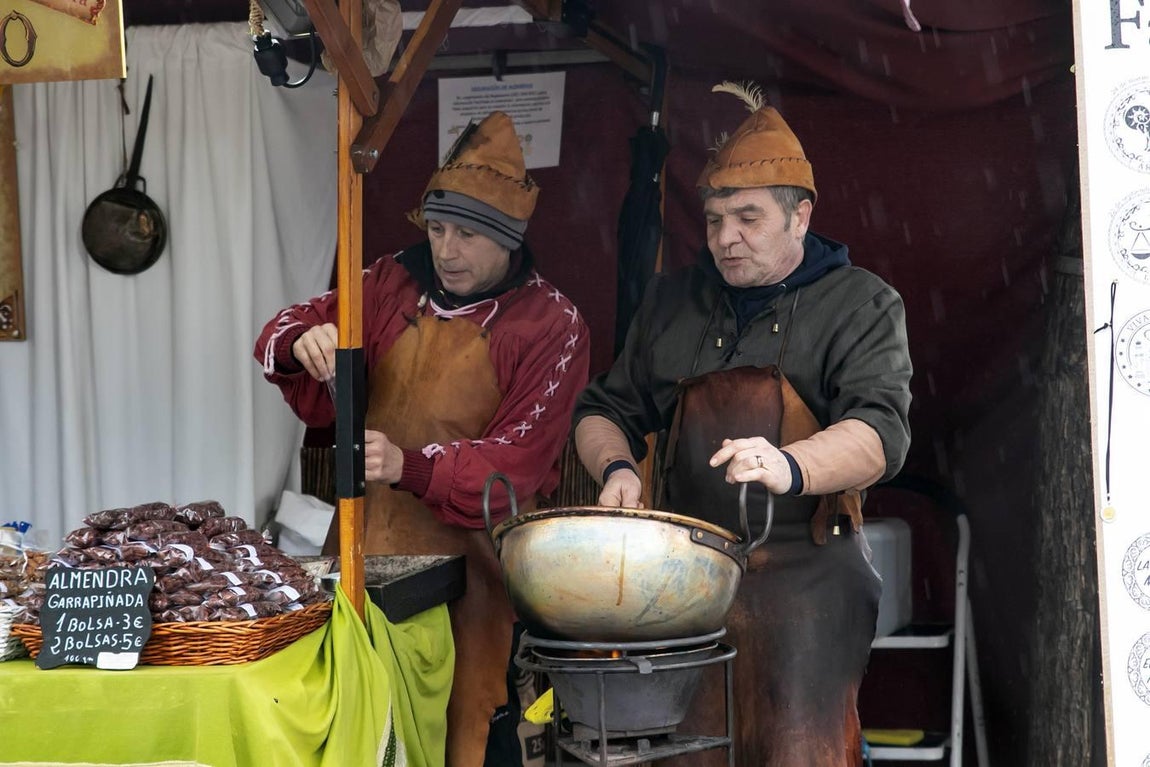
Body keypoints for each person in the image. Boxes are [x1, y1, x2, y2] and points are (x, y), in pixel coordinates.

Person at [573, 82, 912, 766]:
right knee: (682, 751)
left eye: (748, 218)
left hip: (811, 573)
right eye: (715, 219)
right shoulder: (674, 304)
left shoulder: (861, 304)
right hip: (684, 574)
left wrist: (791, 464)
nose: (726, 238)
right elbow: (600, 409)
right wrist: (614, 468)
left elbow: (879, 435)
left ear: (801, 217)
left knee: (801, 748)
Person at [254, 111, 591, 767]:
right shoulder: (387, 283)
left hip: (474, 579)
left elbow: (515, 463)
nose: (446, 249)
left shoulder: (553, 323)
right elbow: (285, 326)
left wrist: (411, 466)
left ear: (509, 239)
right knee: (349, 730)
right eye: (437, 229)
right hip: (354, 556)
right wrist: (303, 342)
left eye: (466, 234)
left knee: (459, 735)